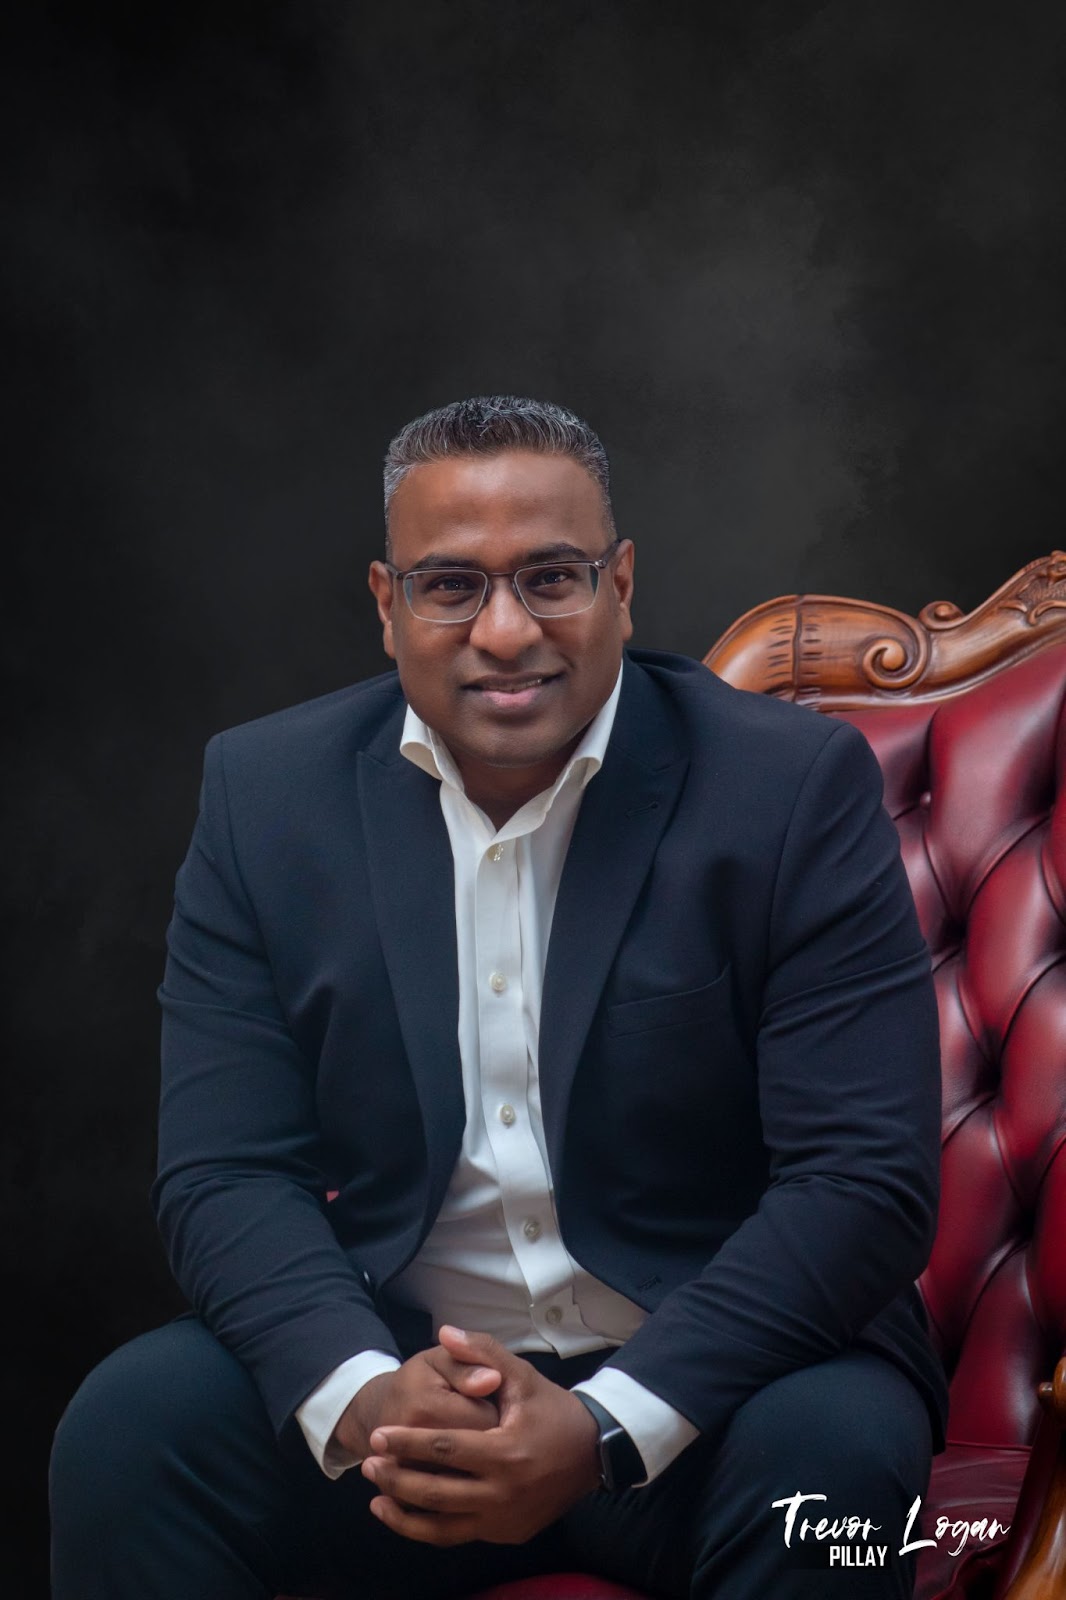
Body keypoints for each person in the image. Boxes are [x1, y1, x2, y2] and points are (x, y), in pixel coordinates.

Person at [50, 396, 948, 1599]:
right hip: (406, 1400)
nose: (508, 629)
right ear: (386, 605)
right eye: (451, 586)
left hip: (720, 1391)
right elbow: (224, 1172)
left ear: (621, 583)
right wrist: (366, 1396)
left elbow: (860, 1182)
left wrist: (605, 1427)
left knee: (831, 1473)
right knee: (132, 1426)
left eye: (553, 576)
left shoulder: (788, 790)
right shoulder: (264, 799)